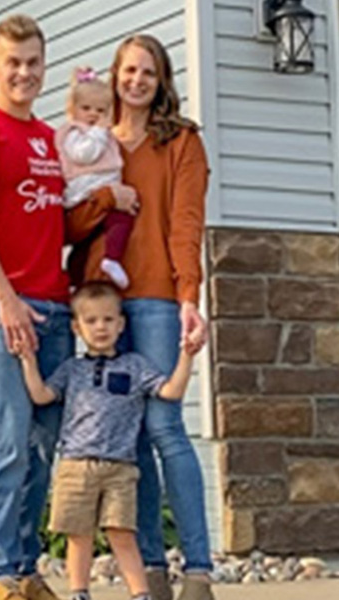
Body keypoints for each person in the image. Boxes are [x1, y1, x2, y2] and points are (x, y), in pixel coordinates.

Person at [0, 13, 92, 600]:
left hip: (54, 306)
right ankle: (1, 574)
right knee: (9, 440)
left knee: (44, 442)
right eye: (14, 63)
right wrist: (4, 299)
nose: (24, 72)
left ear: (43, 66)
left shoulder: (50, 142)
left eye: (33, 62)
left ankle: (28, 570)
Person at [66, 34, 214, 600]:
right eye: (128, 70)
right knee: (128, 440)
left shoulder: (179, 141)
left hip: (153, 298)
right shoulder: (92, 141)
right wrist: (108, 200)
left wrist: (189, 298)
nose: (135, 80)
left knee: (163, 427)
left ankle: (197, 569)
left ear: (162, 79)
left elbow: (186, 223)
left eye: (147, 72)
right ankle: (150, 571)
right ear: (115, 74)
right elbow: (72, 224)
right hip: (101, 304)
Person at [17, 282, 196, 600]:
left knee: (122, 534)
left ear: (120, 324)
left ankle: (140, 594)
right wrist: (28, 361)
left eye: (108, 320)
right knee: (79, 536)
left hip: (120, 468)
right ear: (77, 327)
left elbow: (171, 391)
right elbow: (42, 395)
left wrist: (187, 355)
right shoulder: (71, 369)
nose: (101, 327)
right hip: (75, 465)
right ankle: (79, 593)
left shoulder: (136, 366)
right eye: (91, 321)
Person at [54, 67, 130, 289]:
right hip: (85, 190)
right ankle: (112, 259)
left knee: (96, 238)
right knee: (120, 219)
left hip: (99, 189)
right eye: (85, 108)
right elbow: (84, 154)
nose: (93, 114)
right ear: (72, 109)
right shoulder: (73, 133)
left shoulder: (102, 134)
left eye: (100, 110)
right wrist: (99, 132)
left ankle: (90, 268)